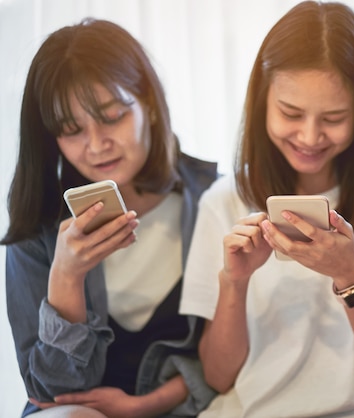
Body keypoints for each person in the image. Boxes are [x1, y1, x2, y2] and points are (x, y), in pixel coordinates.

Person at [179, 1, 354, 417]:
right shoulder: (223, 199)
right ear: (262, 101)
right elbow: (219, 378)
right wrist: (234, 283)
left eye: (334, 117)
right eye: (290, 113)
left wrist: (351, 275)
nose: (310, 136)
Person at [2, 18, 218, 417]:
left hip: (184, 405)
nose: (97, 145)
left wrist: (146, 406)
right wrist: (67, 277)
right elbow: (51, 392)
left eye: (113, 115)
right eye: (71, 130)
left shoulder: (211, 199)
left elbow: (235, 354)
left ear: (149, 105)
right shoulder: (38, 229)